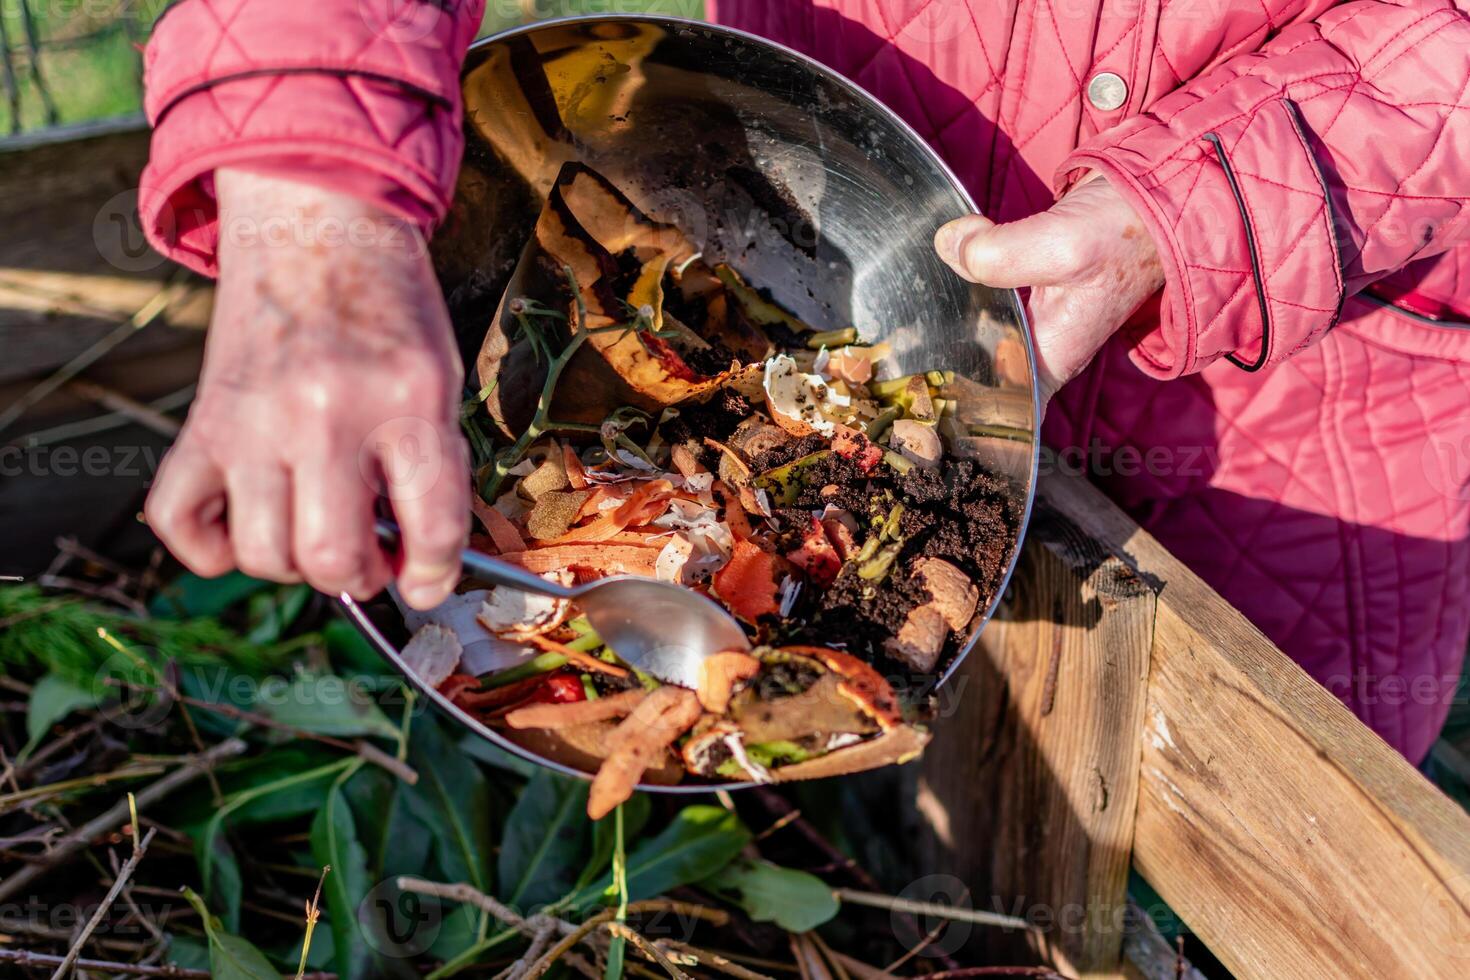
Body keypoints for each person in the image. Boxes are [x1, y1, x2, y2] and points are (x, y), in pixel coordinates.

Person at [137, 0, 1470, 765]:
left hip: (1305, 408)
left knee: (1219, 837)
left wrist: (1236, 198)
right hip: (810, 239)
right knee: (819, 765)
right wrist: (314, 187)